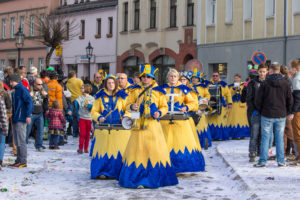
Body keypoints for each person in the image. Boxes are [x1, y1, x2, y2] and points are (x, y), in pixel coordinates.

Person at [118, 64, 178, 189]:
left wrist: (159, 113)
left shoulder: (159, 91)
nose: (145, 79)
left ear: (152, 78)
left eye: (148, 77)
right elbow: (127, 104)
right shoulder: (134, 90)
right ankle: (137, 179)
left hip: (153, 127)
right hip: (138, 126)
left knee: (154, 151)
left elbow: (164, 107)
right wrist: (131, 107)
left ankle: (154, 179)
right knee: (137, 152)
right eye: (143, 76)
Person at [159, 69, 205, 173]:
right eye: (171, 76)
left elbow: (193, 103)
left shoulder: (183, 89)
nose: (173, 78)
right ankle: (165, 164)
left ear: (177, 78)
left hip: (180, 121)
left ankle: (182, 166)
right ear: (167, 78)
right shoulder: (162, 90)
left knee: (180, 143)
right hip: (164, 120)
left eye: (175, 76)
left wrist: (186, 107)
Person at [90, 75, 130, 179]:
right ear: (105, 84)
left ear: (115, 84)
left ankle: (118, 172)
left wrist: (125, 117)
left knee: (118, 151)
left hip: (119, 130)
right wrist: (99, 117)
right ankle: (102, 172)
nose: (111, 85)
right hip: (104, 130)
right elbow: (94, 111)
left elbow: (128, 109)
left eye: (112, 83)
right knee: (104, 151)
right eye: (109, 83)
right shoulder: (100, 96)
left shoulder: (122, 96)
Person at [254, 63, 293, 167]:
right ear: (279, 71)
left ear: (270, 70)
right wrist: (287, 111)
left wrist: (261, 110)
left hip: (267, 114)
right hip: (281, 114)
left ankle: (262, 161)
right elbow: (290, 100)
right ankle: (281, 161)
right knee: (280, 138)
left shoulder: (265, 83)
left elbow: (258, 99)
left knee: (265, 138)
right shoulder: (285, 84)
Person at [9, 73, 33, 168]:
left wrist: (28, 115)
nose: (10, 83)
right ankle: (18, 159)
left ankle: (23, 160)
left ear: (13, 81)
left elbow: (29, 102)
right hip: (16, 117)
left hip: (21, 118)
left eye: (11, 81)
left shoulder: (22, 89)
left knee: (21, 140)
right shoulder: (16, 90)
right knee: (17, 140)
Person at [247, 64, 268, 162]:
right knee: (254, 133)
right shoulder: (253, 83)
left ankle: (261, 151)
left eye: (264, 71)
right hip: (255, 112)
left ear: (266, 72)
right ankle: (252, 152)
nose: (262, 73)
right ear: (258, 72)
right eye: (260, 71)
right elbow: (249, 98)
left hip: (266, 112)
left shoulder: (269, 82)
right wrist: (253, 109)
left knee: (264, 134)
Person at [179, 71, 203, 150]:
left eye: (184, 80)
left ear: (187, 81)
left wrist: (186, 107)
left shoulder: (192, 92)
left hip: (187, 117)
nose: (182, 81)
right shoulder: (175, 90)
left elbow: (195, 106)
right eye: (180, 80)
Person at [207, 72, 232, 140]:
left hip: (221, 105)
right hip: (211, 104)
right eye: (213, 76)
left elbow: (228, 94)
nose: (215, 77)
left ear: (219, 76)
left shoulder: (223, 84)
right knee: (211, 120)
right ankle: (212, 136)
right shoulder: (208, 84)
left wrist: (229, 103)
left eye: (216, 76)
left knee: (220, 120)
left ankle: (220, 137)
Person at [191, 69, 212, 149]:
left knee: (201, 124)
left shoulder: (203, 87)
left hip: (200, 108)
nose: (194, 79)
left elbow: (207, 96)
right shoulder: (189, 86)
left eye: (196, 78)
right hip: (192, 108)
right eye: (193, 78)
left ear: (198, 79)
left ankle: (204, 142)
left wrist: (203, 101)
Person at [26, 78, 49, 151]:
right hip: (31, 113)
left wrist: (46, 96)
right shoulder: (30, 90)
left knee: (41, 130)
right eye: (39, 84)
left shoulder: (42, 91)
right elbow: (26, 101)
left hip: (40, 113)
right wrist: (29, 96)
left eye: (41, 84)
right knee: (27, 130)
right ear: (35, 84)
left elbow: (46, 101)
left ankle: (39, 145)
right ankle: (22, 146)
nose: (41, 86)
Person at [227, 74, 250, 139]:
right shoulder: (231, 86)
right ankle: (234, 135)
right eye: (235, 78)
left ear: (240, 79)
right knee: (234, 119)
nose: (236, 79)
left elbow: (246, 94)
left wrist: (240, 90)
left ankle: (242, 134)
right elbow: (229, 94)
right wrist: (233, 90)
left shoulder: (243, 85)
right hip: (234, 105)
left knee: (242, 120)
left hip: (241, 105)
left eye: (237, 78)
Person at [75, 84, 94, 154]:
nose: (81, 89)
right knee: (82, 134)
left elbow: (93, 108)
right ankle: (80, 148)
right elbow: (76, 104)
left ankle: (86, 148)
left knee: (88, 134)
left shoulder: (92, 98)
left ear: (86, 89)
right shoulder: (80, 98)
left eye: (82, 88)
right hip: (82, 118)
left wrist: (90, 106)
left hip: (89, 118)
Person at [288, 59, 300, 164]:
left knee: (297, 134)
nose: (290, 70)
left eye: (291, 68)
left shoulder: (297, 79)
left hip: (298, 111)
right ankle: (297, 155)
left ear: (295, 69)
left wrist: (292, 112)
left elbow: (297, 98)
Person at [66, 71, 83, 137]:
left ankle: (75, 132)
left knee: (74, 117)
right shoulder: (79, 81)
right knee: (81, 116)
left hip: (72, 100)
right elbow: (83, 89)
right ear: (75, 74)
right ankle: (81, 131)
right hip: (80, 100)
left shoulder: (67, 83)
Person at [0, 84, 9, 169]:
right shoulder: (3, 98)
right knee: (2, 142)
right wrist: (5, 128)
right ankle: (0, 160)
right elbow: (3, 115)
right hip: (1, 123)